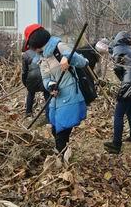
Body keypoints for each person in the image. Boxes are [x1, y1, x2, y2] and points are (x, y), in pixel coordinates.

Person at [23, 23, 89, 153]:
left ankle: (61, 161)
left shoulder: (59, 47)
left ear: (36, 41)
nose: (31, 49)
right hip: (55, 99)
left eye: (31, 45)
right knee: (55, 130)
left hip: (70, 96)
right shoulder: (42, 58)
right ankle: (64, 153)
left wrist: (68, 58)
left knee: (61, 133)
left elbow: (83, 62)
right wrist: (50, 85)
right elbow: (46, 78)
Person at [104, 31, 131, 154]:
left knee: (118, 114)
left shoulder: (118, 49)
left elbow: (118, 68)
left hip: (129, 84)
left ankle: (116, 145)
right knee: (129, 110)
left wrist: (123, 80)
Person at [21, 45, 50, 120]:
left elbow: (24, 71)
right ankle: (48, 116)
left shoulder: (25, 54)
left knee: (30, 93)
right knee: (47, 94)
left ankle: (28, 112)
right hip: (44, 75)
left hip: (31, 77)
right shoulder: (43, 50)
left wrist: (25, 83)